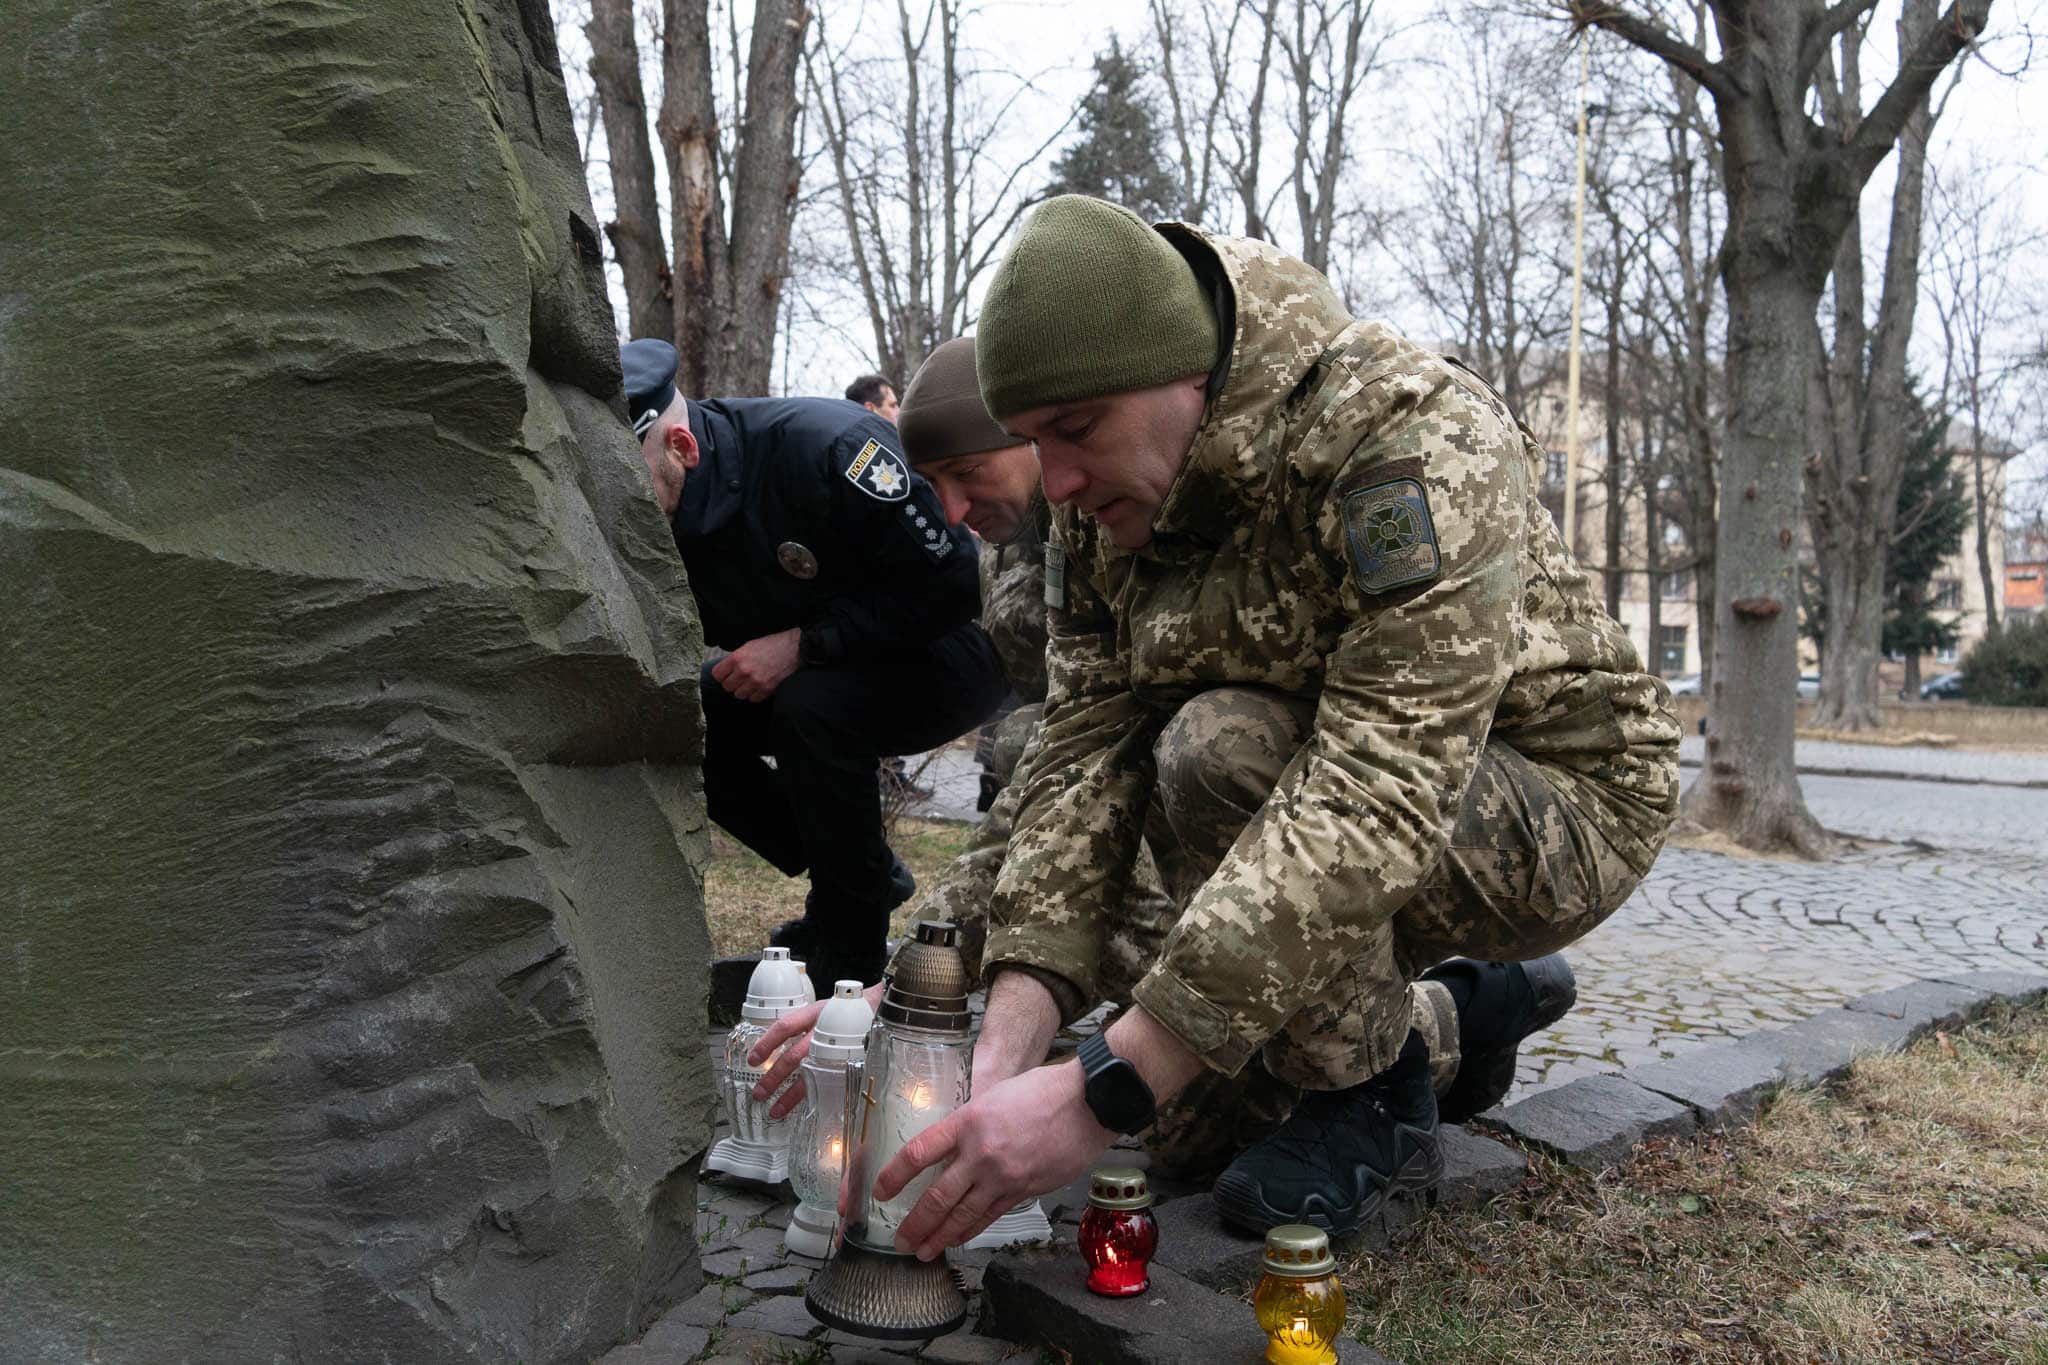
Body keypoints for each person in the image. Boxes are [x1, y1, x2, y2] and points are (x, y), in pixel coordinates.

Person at [752, 197, 1679, 1251]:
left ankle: (1370, 1098)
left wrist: (1104, 1088)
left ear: (1185, 378)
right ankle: (1460, 1017)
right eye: (1031, 445)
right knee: (1177, 1133)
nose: (1053, 484)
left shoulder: (1402, 436)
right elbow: (1077, 765)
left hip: (1558, 799)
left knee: (1213, 750)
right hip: (1320, 798)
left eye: (1077, 434)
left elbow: (1376, 784)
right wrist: (958, 1017)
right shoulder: (1108, 510)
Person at [624, 339, 1007, 990]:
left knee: (815, 710)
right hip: (836, 664)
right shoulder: (666, 516)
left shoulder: (832, 449)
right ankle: (859, 876)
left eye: (637, 488)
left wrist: (802, 645)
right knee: (684, 719)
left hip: (956, 645)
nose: (628, 512)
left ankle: (849, 956)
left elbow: (952, 583)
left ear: (682, 448)